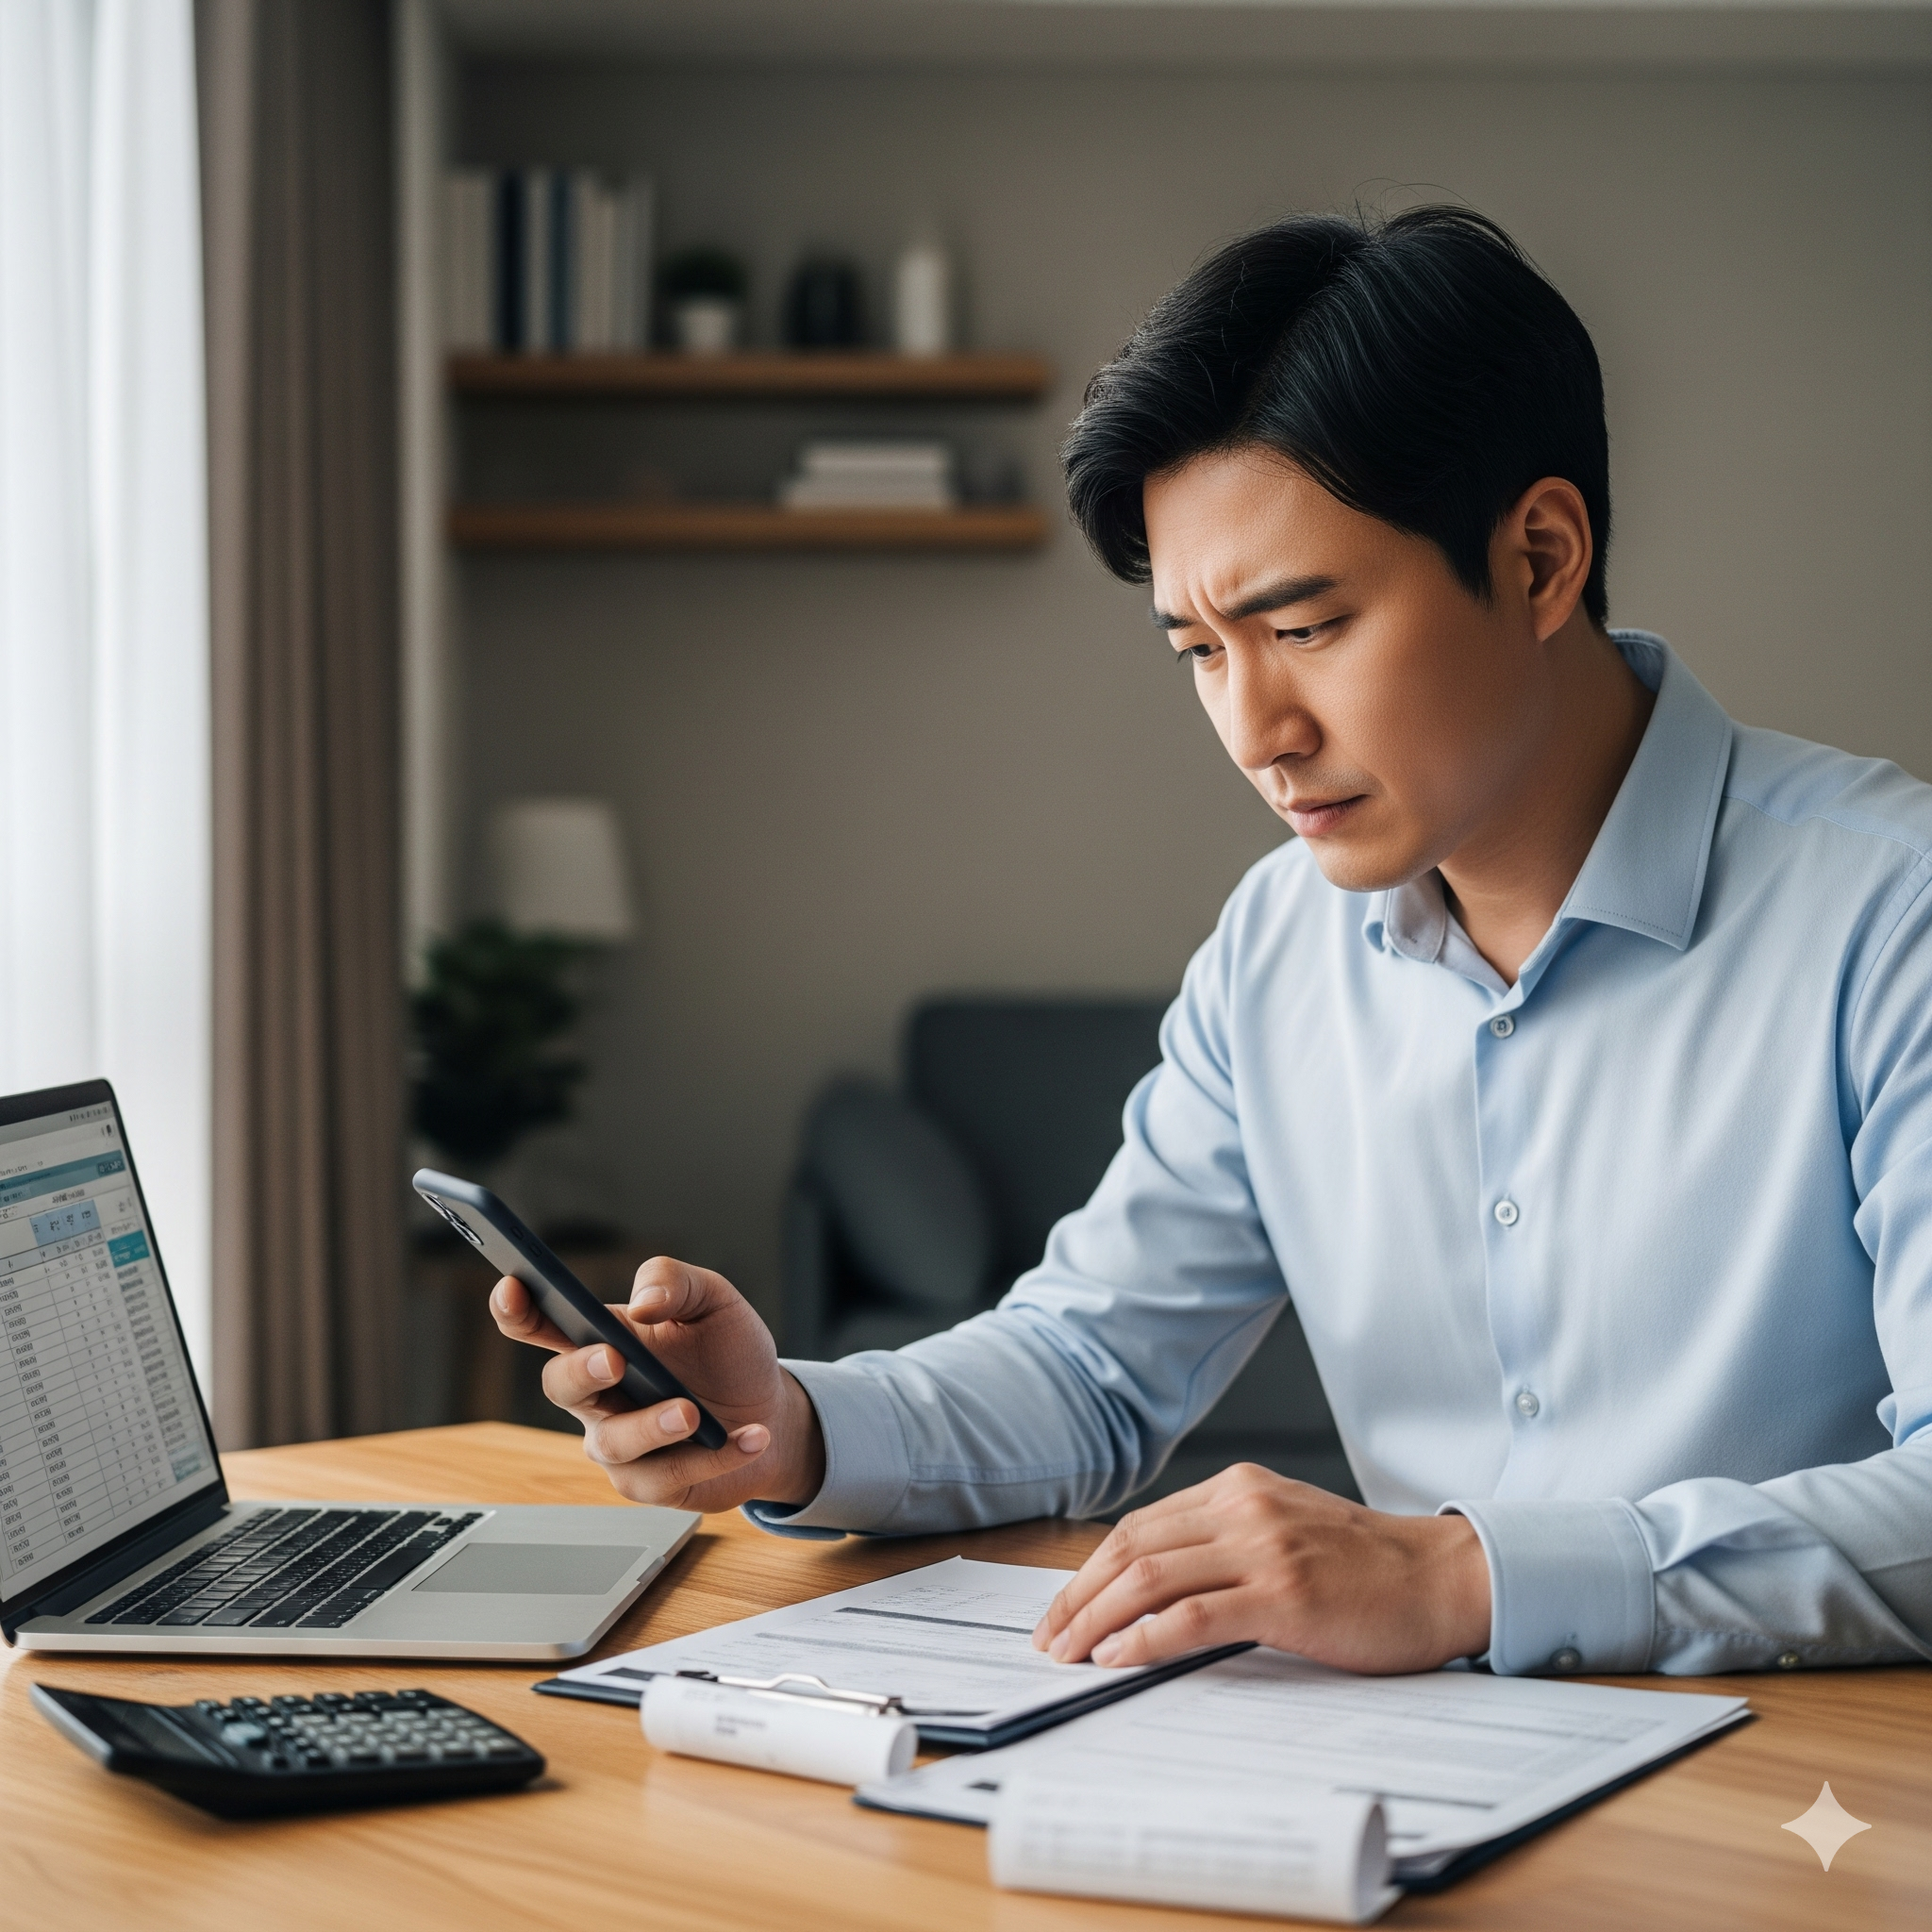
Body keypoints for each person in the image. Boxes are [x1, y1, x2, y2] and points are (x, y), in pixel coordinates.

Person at [491, 207, 1932, 1679]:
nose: (1256, 733)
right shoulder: (1281, 943)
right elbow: (1092, 1368)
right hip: (1429, 1774)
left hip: (1817, 1783)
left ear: (1541, 559)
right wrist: (786, 1425)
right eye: (1199, 650)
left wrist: (1462, 1575)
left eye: (1305, 629)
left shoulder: (1895, 919)